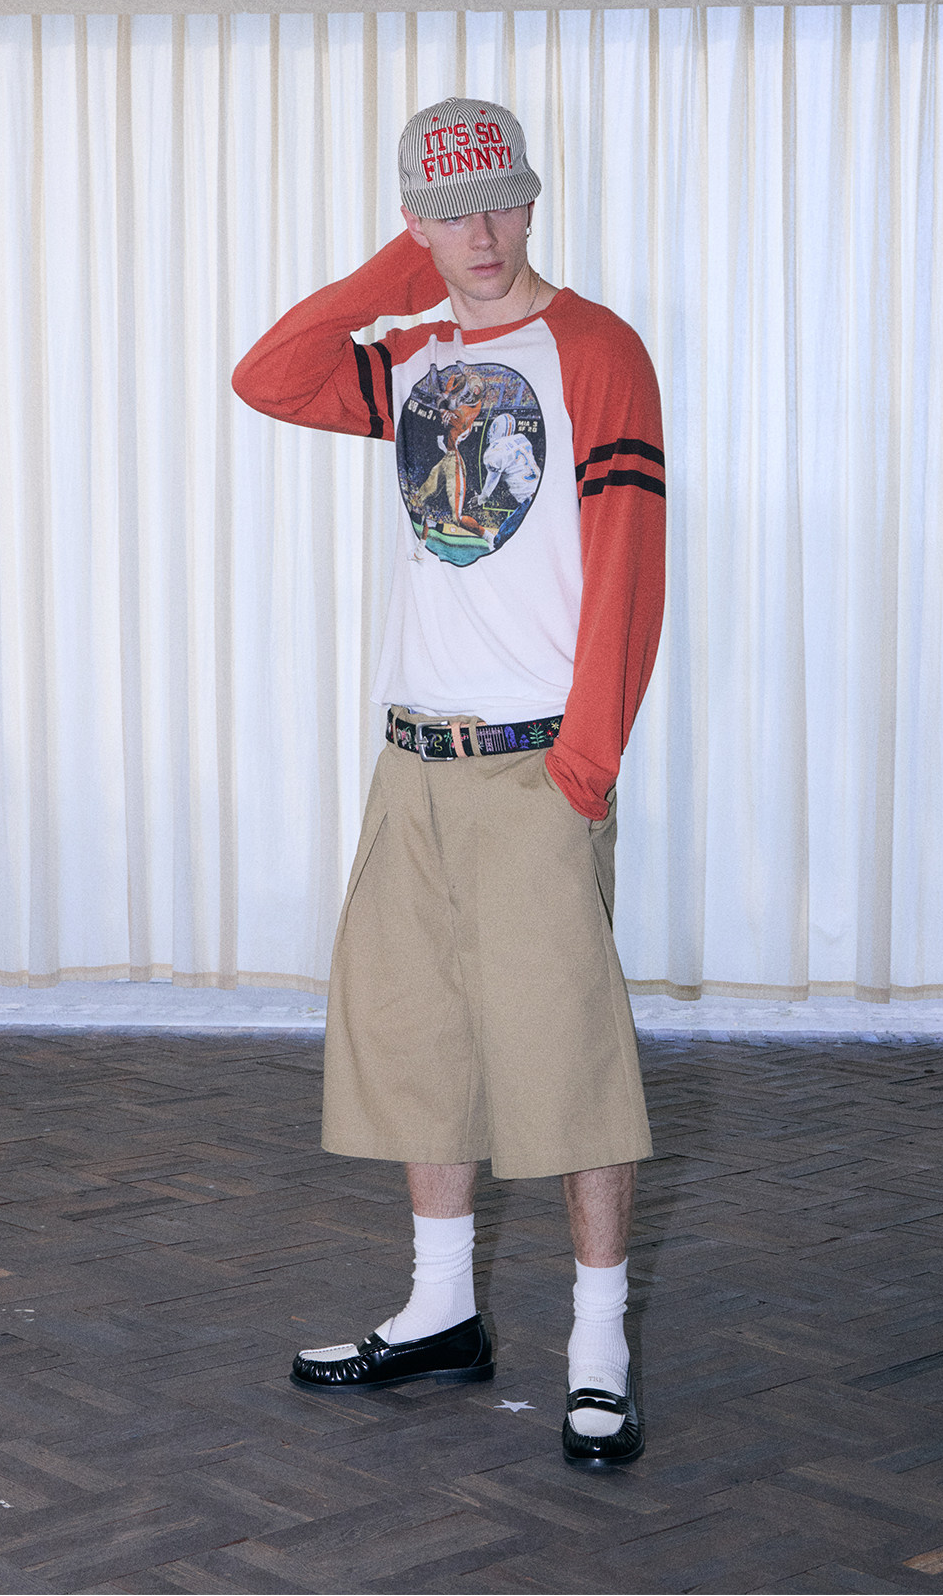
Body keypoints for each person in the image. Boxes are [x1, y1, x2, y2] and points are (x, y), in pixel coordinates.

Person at [232, 96, 665, 1467]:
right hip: (412, 756)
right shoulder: (415, 356)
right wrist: (396, 276)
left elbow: (631, 563)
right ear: (414, 222)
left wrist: (586, 765)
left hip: (537, 763)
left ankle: (598, 1347)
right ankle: (442, 1312)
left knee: (569, 1062)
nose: (477, 235)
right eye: (444, 213)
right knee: (419, 1044)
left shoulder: (596, 350)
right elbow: (270, 375)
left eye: (495, 205)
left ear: (532, 201)